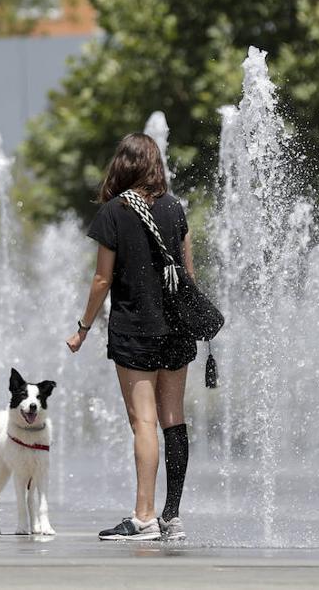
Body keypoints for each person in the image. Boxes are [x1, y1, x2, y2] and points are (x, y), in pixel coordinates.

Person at [67, 133, 194, 541]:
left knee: (144, 422)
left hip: (136, 331)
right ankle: (170, 518)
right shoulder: (176, 209)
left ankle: (143, 518)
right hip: (176, 328)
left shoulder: (114, 211)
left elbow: (102, 278)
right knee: (172, 420)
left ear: (122, 165)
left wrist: (83, 327)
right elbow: (189, 275)